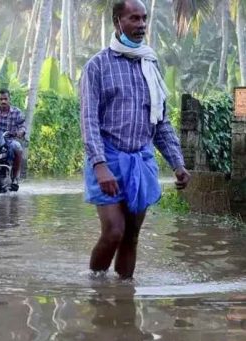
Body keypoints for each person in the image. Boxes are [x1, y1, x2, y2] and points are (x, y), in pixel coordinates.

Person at [80, 0, 191, 279]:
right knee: (113, 232)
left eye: (144, 18)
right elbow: (89, 121)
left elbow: (160, 121)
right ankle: (96, 289)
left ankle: (124, 297)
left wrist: (177, 163)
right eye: (134, 18)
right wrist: (99, 165)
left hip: (141, 160)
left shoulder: (150, 65)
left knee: (131, 236)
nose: (141, 24)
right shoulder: (97, 66)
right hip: (108, 159)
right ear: (118, 22)